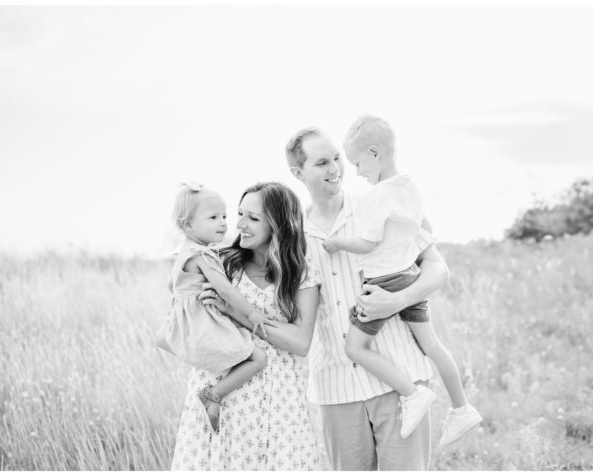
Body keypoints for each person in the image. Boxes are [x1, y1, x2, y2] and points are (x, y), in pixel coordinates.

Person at [286, 126, 448, 470]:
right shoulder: (291, 237)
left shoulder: (380, 204)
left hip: (400, 384)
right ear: (298, 173)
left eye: (336, 159)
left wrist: (398, 300)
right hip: (336, 388)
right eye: (321, 163)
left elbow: (437, 269)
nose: (335, 169)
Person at [323, 116, 482, 445]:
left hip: (383, 283)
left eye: (357, 163)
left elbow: (366, 244)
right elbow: (421, 238)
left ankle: (412, 394)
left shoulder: (376, 197)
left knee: (354, 347)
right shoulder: (411, 188)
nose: (357, 172)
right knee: (433, 346)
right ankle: (461, 408)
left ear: (374, 153)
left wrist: (337, 243)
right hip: (409, 277)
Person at [171, 182, 325, 471]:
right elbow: (185, 310)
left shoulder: (301, 273)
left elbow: (301, 343)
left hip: (279, 401)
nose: (239, 224)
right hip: (222, 393)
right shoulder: (223, 264)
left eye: (253, 218)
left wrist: (234, 312)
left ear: (279, 225)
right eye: (240, 213)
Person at [155, 182, 270, 433]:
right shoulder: (203, 255)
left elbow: (170, 285)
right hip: (202, 322)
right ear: (188, 225)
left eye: (224, 216)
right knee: (259, 358)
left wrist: (184, 302)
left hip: (181, 320)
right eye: (213, 217)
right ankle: (213, 394)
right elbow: (225, 289)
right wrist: (251, 312)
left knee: (168, 340)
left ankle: (205, 367)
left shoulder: (182, 253)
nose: (223, 223)